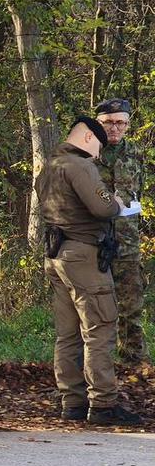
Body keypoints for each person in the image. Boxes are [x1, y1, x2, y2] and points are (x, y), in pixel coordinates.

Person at [38, 117, 140, 426]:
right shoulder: (79, 166)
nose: (98, 154)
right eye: (97, 146)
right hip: (84, 256)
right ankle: (103, 404)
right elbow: (103, 208)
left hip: (58, 255)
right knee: (100, 328)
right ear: (85, 139)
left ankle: (73, 402)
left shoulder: (50, 166)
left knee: (67, 334)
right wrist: (118, 202)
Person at [94, 98, 148, 366]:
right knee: (96, 310)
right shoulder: (87, 155)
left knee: (131, 307)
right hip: (94, 243)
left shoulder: (136, 154)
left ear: (127, 125)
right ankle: (97, 364)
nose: (114, 128)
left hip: (127, 242)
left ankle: (134, 362)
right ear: (98, 124)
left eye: (120, 123)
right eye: (108, 123)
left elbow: (140, 193)